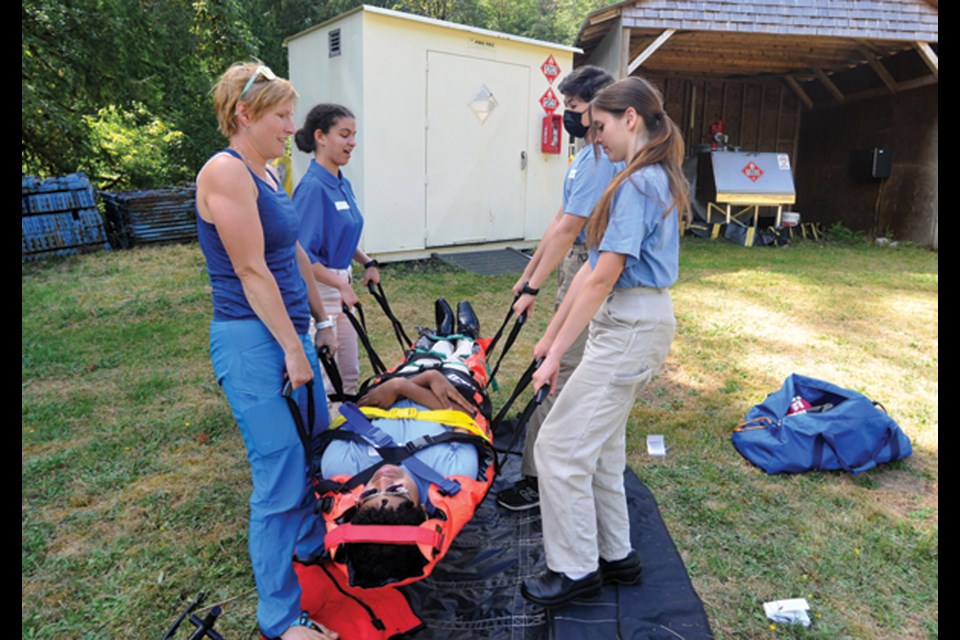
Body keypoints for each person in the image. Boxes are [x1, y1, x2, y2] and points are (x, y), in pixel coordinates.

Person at [520, 76, 689, 608]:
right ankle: (617, 555)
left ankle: (574, 570)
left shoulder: (639, 183)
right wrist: (549, 342)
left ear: (630, 118)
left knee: (559, 448)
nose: (594, 137)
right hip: (630, 323)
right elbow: (591, 270)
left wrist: (552, 359)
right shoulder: (640, 177)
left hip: (630, 326)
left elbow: (600, 278)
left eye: (600, 126)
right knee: (602, 448)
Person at [194, 61, 338, 640]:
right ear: (243, 115)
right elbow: (252, 272)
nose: (290, 127)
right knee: (278, 473)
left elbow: (292, 254)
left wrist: (323, 313)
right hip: (252, 339)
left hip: (289, 331)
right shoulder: (225, 173)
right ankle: (279, 618)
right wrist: (292, 350)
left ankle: (308, 548)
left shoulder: (271, 174)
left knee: (314, 450)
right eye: (281, 116)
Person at [497, 65, 620, 512]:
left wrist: (533, 287)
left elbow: (571, 228)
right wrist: (529, 277)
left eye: (573, 107)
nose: (568, 115)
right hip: (575, 267)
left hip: (590, 268)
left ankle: (536, 479)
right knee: (558, 364)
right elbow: (557, 219)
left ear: (598, 106)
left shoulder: (605, 159)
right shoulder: (584, 156)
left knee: (560, 369)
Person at [294, 104, 379, 401]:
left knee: (349, 374)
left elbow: (341, 233)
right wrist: (340, 284)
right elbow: (302, 255)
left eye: (353, 135)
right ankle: (325, 439)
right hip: (321, 292)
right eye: (344, 134)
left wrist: (368, 261)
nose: (352, 142)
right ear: (320, 137)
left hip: (341, 287)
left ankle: (347, 434)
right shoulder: (312, 188)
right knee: (330, 381)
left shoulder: (342, 183)